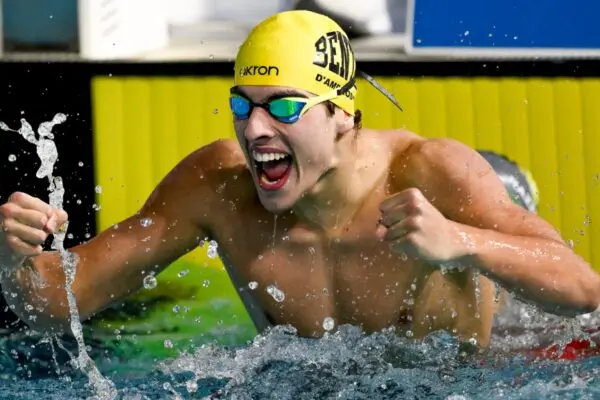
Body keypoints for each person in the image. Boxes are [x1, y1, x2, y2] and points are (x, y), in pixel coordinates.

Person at [0, 10, 598, 348]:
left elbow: (583, 288)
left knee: (519, 288)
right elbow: (61, 301)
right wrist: (12, 259)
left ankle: (508, 191)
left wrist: (460, 241)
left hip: (467, 377)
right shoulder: (219, 184)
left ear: (343, 115)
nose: (255, 128)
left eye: (285, 107)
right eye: (242, 105)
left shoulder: (428, 171)